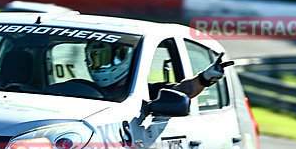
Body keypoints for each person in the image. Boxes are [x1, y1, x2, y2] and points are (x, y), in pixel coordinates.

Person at [85, 41, 233, 100]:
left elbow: (182, 90)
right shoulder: (78, 88)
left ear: (123, 56)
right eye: (93, 59)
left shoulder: (148, 92)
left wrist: (205, 78)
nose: (97, 65)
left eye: (103, 58)